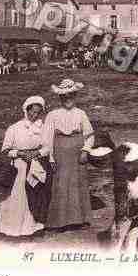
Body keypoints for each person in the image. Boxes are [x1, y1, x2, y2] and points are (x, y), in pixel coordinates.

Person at [41, 79, 94, 232]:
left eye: (71, 95)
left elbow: (89, 135)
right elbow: (46, 138)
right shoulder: (53, 115)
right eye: (64, 96)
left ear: (75, 96)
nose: (68, 99)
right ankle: (59, 222)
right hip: (60, 155)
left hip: (78, 155)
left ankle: (81, 219)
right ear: (60, 98)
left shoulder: (81, 113)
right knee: (61, 185)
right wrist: (50, 157)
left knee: (79, 184)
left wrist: (86, 150)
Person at [0, 96, 49, 240]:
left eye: (38, 112)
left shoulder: (42, 128)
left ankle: (31, 229)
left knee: (33, 196)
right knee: (17, 197)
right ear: (26, 110)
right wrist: (20, 153)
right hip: (19, 167)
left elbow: (47, 147)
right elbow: (6, 150)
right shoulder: (14, 128)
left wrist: (36, 153)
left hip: (35, 165)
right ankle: (12, 230)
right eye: (32, 112)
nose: (35, 115)